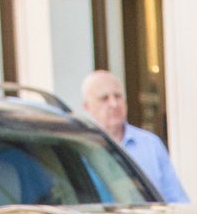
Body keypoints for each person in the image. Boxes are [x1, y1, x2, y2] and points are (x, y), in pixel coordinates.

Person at [78, 69, 186, 203]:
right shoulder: (80, 149)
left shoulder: (151, 145)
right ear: (87, 107)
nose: (114, 104)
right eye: (104, 98)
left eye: (117, 96)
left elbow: (176, 200)